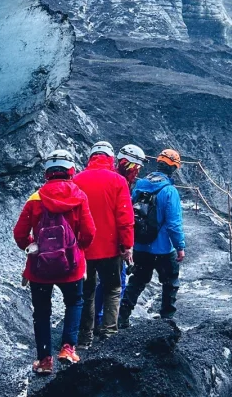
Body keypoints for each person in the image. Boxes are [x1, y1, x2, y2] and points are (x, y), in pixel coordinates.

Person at [14, 150, 95, 374]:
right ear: (71, 171)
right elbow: (89, 233)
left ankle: (45, 360)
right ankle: (68, 348)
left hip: (40, 267)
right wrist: (76, 249)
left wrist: (34, 245)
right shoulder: (79, 197)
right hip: (71, 266)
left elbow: (19, 234)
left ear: (47, 173)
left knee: (41, 311)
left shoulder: (35, 198)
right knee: (74, 303)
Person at [74, 140, 134, 350]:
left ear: (91, 157)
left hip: (84, 249)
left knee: (87, 292)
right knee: (113, 289)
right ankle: (109, 334)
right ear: (110, 158)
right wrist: (127, 246)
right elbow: (125, 217)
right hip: (111, 248)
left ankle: (84, 339)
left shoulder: (77, 180)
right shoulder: (118, 181)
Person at [119, 147, 185, 326]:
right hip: (163, 248)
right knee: (170, 282)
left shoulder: (140, 185)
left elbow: (128, 211)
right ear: (174, 168)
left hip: (140, 245)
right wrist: (180, 246)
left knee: (137, 281)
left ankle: (122, 318)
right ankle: (167, 319)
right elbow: (173, 224)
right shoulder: (169, 191)